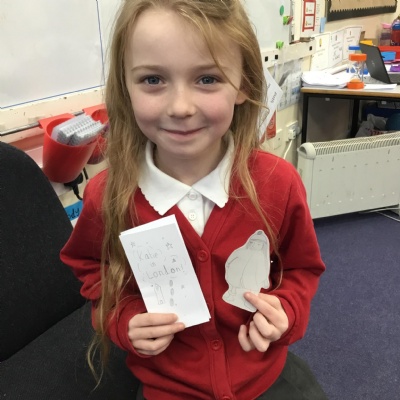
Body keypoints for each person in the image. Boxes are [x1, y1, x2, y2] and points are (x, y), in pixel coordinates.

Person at [60, 1, 327, 399]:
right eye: (153, 80)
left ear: (244, 85)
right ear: (125, 88)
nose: (180, 107)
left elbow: (301, 267)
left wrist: (287, 308)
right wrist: (122, 319)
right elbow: (91, 269)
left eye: (207, 79)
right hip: (170, 386)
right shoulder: (108, 197)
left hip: (264, 375)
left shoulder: (277, 183)